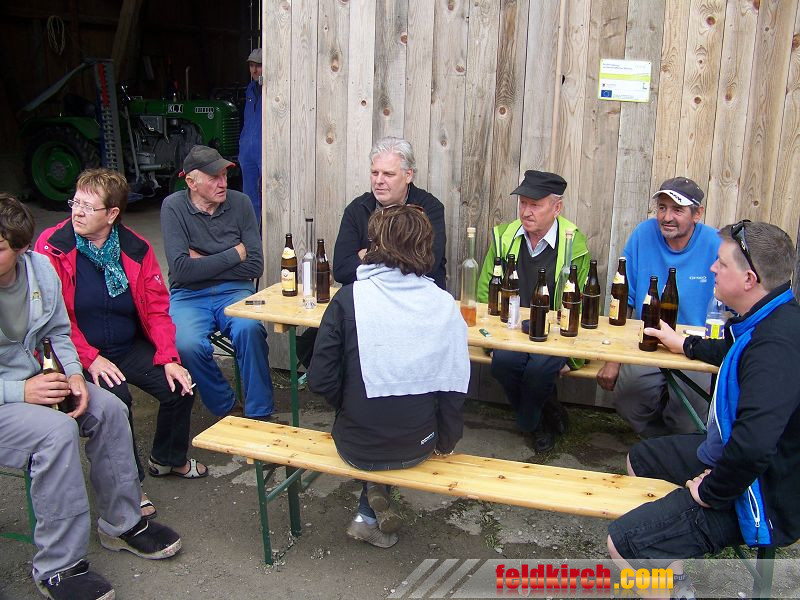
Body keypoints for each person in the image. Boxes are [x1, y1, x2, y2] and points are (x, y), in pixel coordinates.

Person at [0, 194, 181, 600]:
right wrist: (19, 390)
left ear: (22, 248)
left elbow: (58, 331)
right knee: (56, 433)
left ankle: (122, 523)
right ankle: (58, 566)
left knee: (111, 408)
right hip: (8, 397)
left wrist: (75, 374)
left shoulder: (40, 269)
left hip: (41, 381)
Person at [607, 221, 800, 597]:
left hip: (762, 496)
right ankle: (675, 579)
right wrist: (685, 345)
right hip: (735, 461)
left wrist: (710, 491)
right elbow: (729, 346)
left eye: (721, 263)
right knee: (641, 460)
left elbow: (754, 446)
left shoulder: (775, 348)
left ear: (748, 279)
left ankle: (658, 564)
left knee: (624, 544)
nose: (712, 268)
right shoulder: (769, 316)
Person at [35, 168, 207, 522]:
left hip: (126, 346)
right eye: (75, 203)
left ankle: (167, 459)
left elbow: (157, 308)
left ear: (112, 213)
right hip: (79, 353)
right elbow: (53, 318)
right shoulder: (53, 247)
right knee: (117, 400)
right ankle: (130, 485)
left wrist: (169, 357)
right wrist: (90, 359)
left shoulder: (135, 247)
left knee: (181, 387)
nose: (77, 212)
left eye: (88, 206)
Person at [309, 205, 469, 548]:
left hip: (355, 443)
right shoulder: (443, 304)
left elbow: (320, 380)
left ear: (375, 244)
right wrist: (446, 441)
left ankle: (370, 503)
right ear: (425, 246)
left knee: (378, 425)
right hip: (418, 443)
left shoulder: (349, 298)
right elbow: (453, 388)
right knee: (402, 421)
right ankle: (370, 506)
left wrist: (351, 403)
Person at [476, 170, 590, 453]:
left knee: (540, 370)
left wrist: (574, 358)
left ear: (557, 207)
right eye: (523, 203)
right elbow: (484, 292)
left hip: (553, 335)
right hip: (509, 330)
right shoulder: (504, 237)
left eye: (535, 205)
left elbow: (584, 304)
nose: (526, 211)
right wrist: (490, 338)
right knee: (503, 363)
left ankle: (529, 423)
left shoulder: (573, 243)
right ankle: (546, 413)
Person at [596, 177, 720, 437]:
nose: (667, 217)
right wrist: (613, 359)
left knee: (689, 418)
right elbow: (623, 301)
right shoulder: (643, 234)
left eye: (677, 210)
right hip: (648, 338)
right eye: (662, 208)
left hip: (694, 345)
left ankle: (675, 447)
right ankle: (658, 444)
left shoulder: (715, 244)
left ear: (697, 213)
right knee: (627, 398)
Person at [161, 145, 274, 419]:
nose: (223, 183)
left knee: (249, 329)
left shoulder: (241, 203)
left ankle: (260, 414)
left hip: (235, 291)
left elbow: (255, 265)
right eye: (214, 177)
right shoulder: (173, 207)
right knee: (186, 344)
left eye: (224, 175)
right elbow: (181, 271)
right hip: (189, 295)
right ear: (191, 182)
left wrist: (200, 262)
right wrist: (234, 254)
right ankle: (227, 407)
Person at [332, 136, 447, 289]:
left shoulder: (429, 208)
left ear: (408, 175)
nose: (379, 180)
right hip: (368, 299)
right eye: (375, 173)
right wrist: (404, 254)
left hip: (416, 298)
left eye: (388, 174)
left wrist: (369, 255)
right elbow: (341, 270)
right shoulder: (357, 209)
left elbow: (429, 266)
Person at [239, 47, 263, 220]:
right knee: (249, 196)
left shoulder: (273, 90)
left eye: (259, 66)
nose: (254, 70)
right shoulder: (250, 89)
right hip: (247, 151)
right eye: (251, 66)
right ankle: (253, 231)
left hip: (263, 150)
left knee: (267, 194)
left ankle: (268, 232)